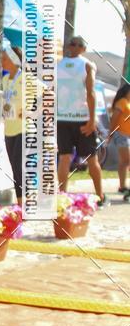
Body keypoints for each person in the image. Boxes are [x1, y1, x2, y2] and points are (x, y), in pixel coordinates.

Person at [56, 36, 105, 205]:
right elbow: (91, 93)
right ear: (84, 49)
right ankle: (100, 197)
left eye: (75, 44)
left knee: (64, 158)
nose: (74, 46)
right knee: (92, 159)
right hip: (82, 119)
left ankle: (61, 198)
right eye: (73, 43)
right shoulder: (88, 65)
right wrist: (92, 121)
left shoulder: (57, 66)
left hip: (63, 118)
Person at [2, 44, 25, 204]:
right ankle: (21, 203)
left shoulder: (25, 78)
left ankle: (22, 204)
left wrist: (32, 111)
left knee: (18, 167)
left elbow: (47, 94)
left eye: (5, 58)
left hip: (24, 129)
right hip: (8, 129)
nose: (2, 61)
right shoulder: (4, 79)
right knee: (13, 168)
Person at [106, 82, 130, 201]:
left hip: (128, 136)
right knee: (126, 160)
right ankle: (124, 187)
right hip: (121, 135)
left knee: (124, 162)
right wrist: (110, 133)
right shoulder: (122, 102)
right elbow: (114, 118)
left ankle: (122, 186)